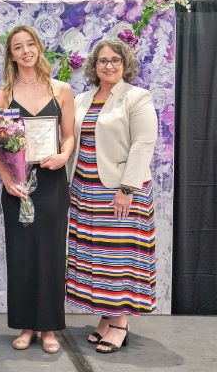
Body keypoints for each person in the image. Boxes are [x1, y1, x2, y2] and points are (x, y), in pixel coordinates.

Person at [66, 38, 158, 354]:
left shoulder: (136, 97)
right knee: (97, 259)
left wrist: (126, 189)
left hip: (119, 192)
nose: (108, 65)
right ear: (94, 66)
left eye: (115, 60)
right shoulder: (83, 99)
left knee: (117, 259)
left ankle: (120, 324)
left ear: (125, 64)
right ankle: (107, 318)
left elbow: (143, 144)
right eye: (103, 60)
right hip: (85, 191)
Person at [0, 25, 75, 354]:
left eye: (30, 44)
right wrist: (7, 181)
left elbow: (68, 136)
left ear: (39, 47)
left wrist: (64, 155)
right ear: (11, 55)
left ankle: (49, 326)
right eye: (17, 47)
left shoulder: (61, 90)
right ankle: (27, 325)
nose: (25, 51)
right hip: (19, 185)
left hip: (53, 181)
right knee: (22, 255)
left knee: (52, 254)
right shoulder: (2, 96)